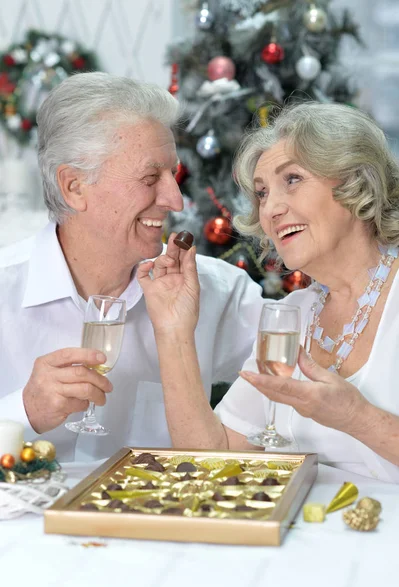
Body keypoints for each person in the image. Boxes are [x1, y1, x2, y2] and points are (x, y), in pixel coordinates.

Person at [0, 72, 264, 462]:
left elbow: (311, 379)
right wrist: (22, 412)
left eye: (171, 174)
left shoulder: (216, 292)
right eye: (149, 177)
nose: (176, 200)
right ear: (74, 187)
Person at [138, 101, 399, 483]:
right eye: (262, 194)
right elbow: (213, 462)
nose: (271, 209)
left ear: (353, 179)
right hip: (311, 538)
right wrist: (173, 328)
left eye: (292, 179)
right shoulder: (292, 314)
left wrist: (356, 417)